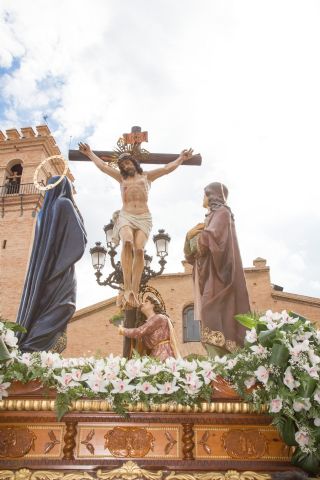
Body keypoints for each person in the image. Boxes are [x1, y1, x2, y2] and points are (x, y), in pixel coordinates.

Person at [79, 142, 193, 309]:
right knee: (127, 243)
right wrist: (89, 153)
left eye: (128, 162)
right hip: (126, 215)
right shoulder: (121, 178)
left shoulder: (146, 176)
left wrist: (181, 158)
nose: (126, 166)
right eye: (123, 164)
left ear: (134, 163)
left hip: (144, 218)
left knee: (139, 250)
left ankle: (134, 288)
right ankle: (126, 287)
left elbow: (167, 168)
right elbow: (103, 167)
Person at [16, 176, 87, 352]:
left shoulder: (43, 212)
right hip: (61, 269)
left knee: (46, 306)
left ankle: (32, 347)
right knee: (64, 306)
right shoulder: (64, 204)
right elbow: (80, 239)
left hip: (43, 272)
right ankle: (36, 347)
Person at [184, 182, 250, 357]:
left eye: (205, 194)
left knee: (212, 313)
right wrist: (189, 236)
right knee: (209, 315)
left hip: (219, 276)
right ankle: (218, 365)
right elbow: (192, 256)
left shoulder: (222, 212)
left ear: (212, 195)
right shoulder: (212, 216)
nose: (203, 198)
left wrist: (193, 235)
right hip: (208, 275)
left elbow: (212, 239)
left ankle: (223, 363)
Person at [117, 296, 180, 361]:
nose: (142, 304)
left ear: (153, 305)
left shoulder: (159, 318)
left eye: (146, 301)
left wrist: (123, 330)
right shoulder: (148, 323)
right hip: (155, 353)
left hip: (164, 353)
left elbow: (139, 332)